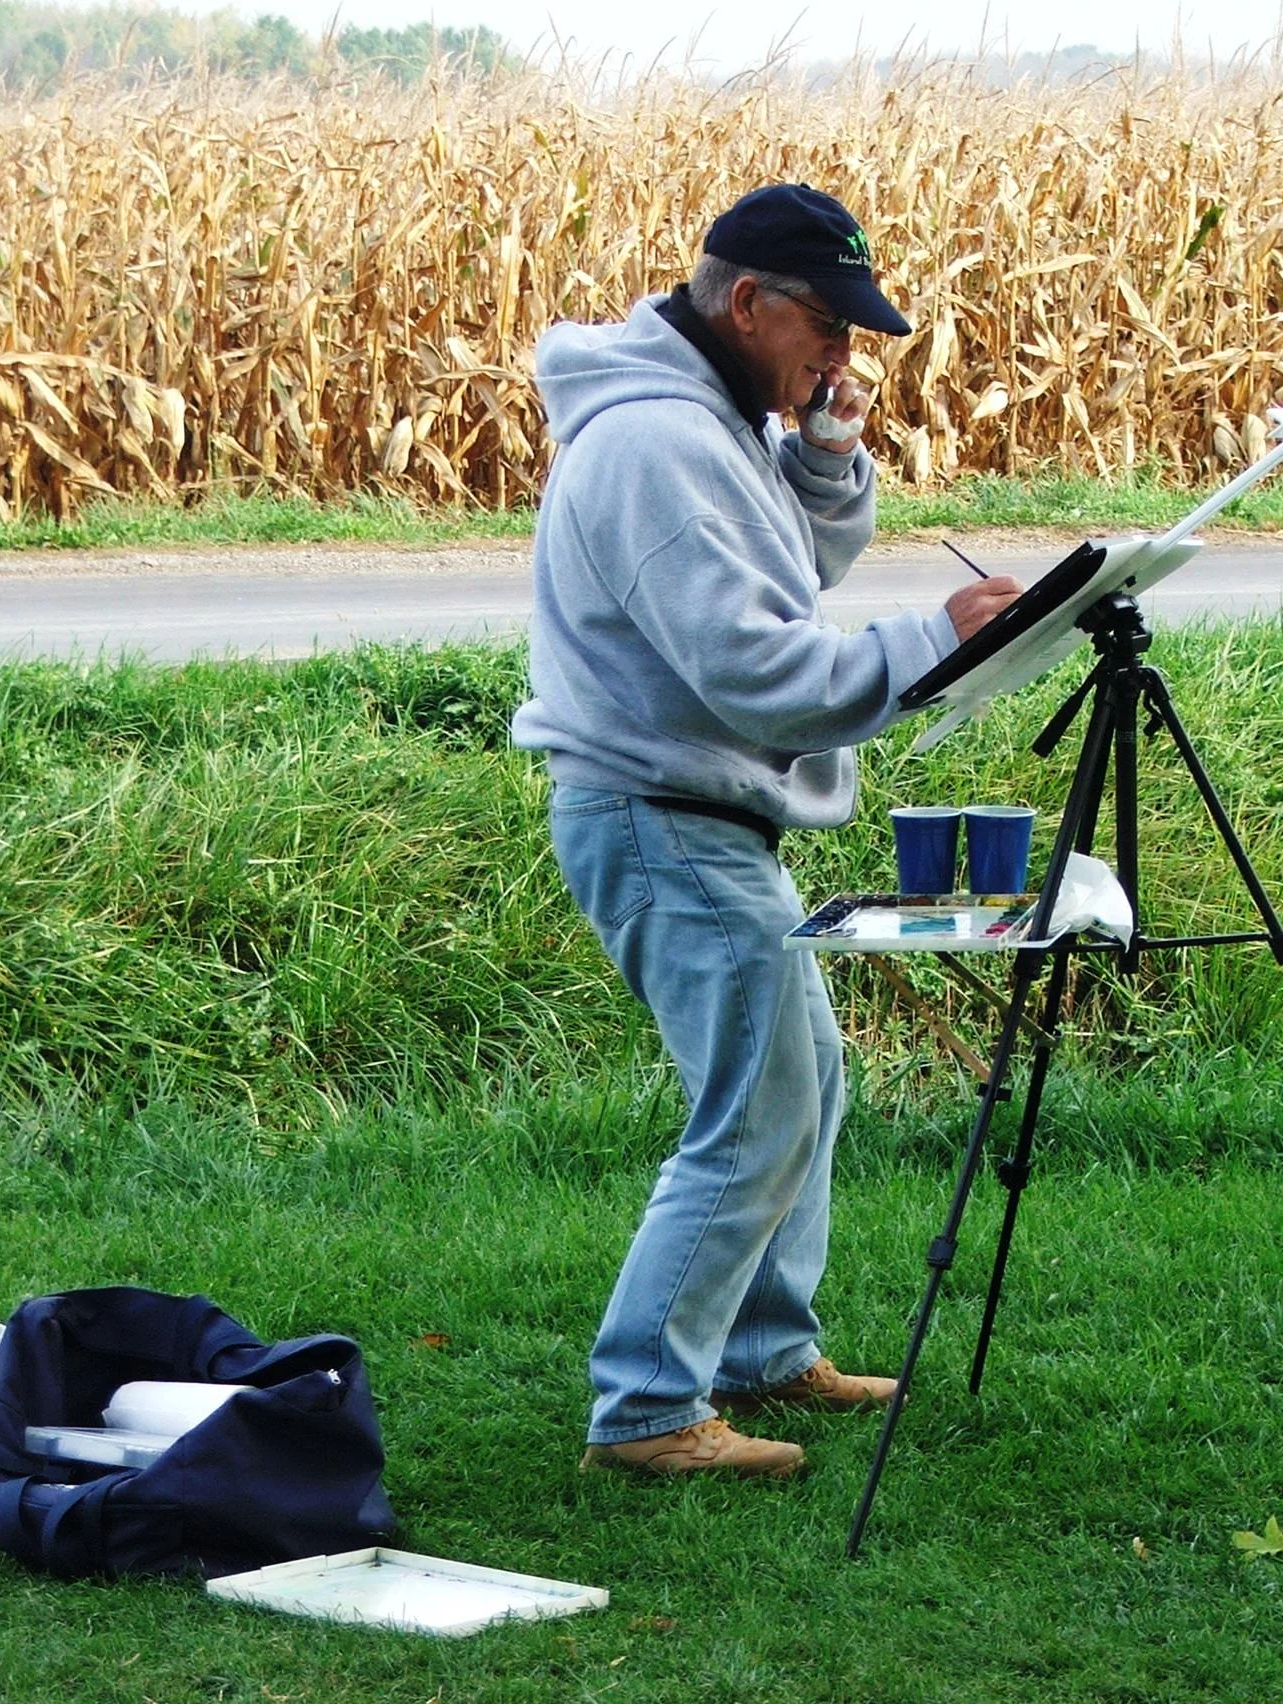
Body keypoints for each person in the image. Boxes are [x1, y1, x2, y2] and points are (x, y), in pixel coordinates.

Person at [511, 184, 1022, 1478]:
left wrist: (827, 461)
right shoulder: (654, 446)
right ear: (749, 304)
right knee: (756, 1110)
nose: (844, 358)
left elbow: (777, 573)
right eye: (831, 332)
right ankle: (645, 1411)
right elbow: (754, 667)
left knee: (807, 1080)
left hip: (698, 814)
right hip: (661, 818)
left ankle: (761, 1351)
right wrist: (933, 642)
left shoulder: (715, 420)